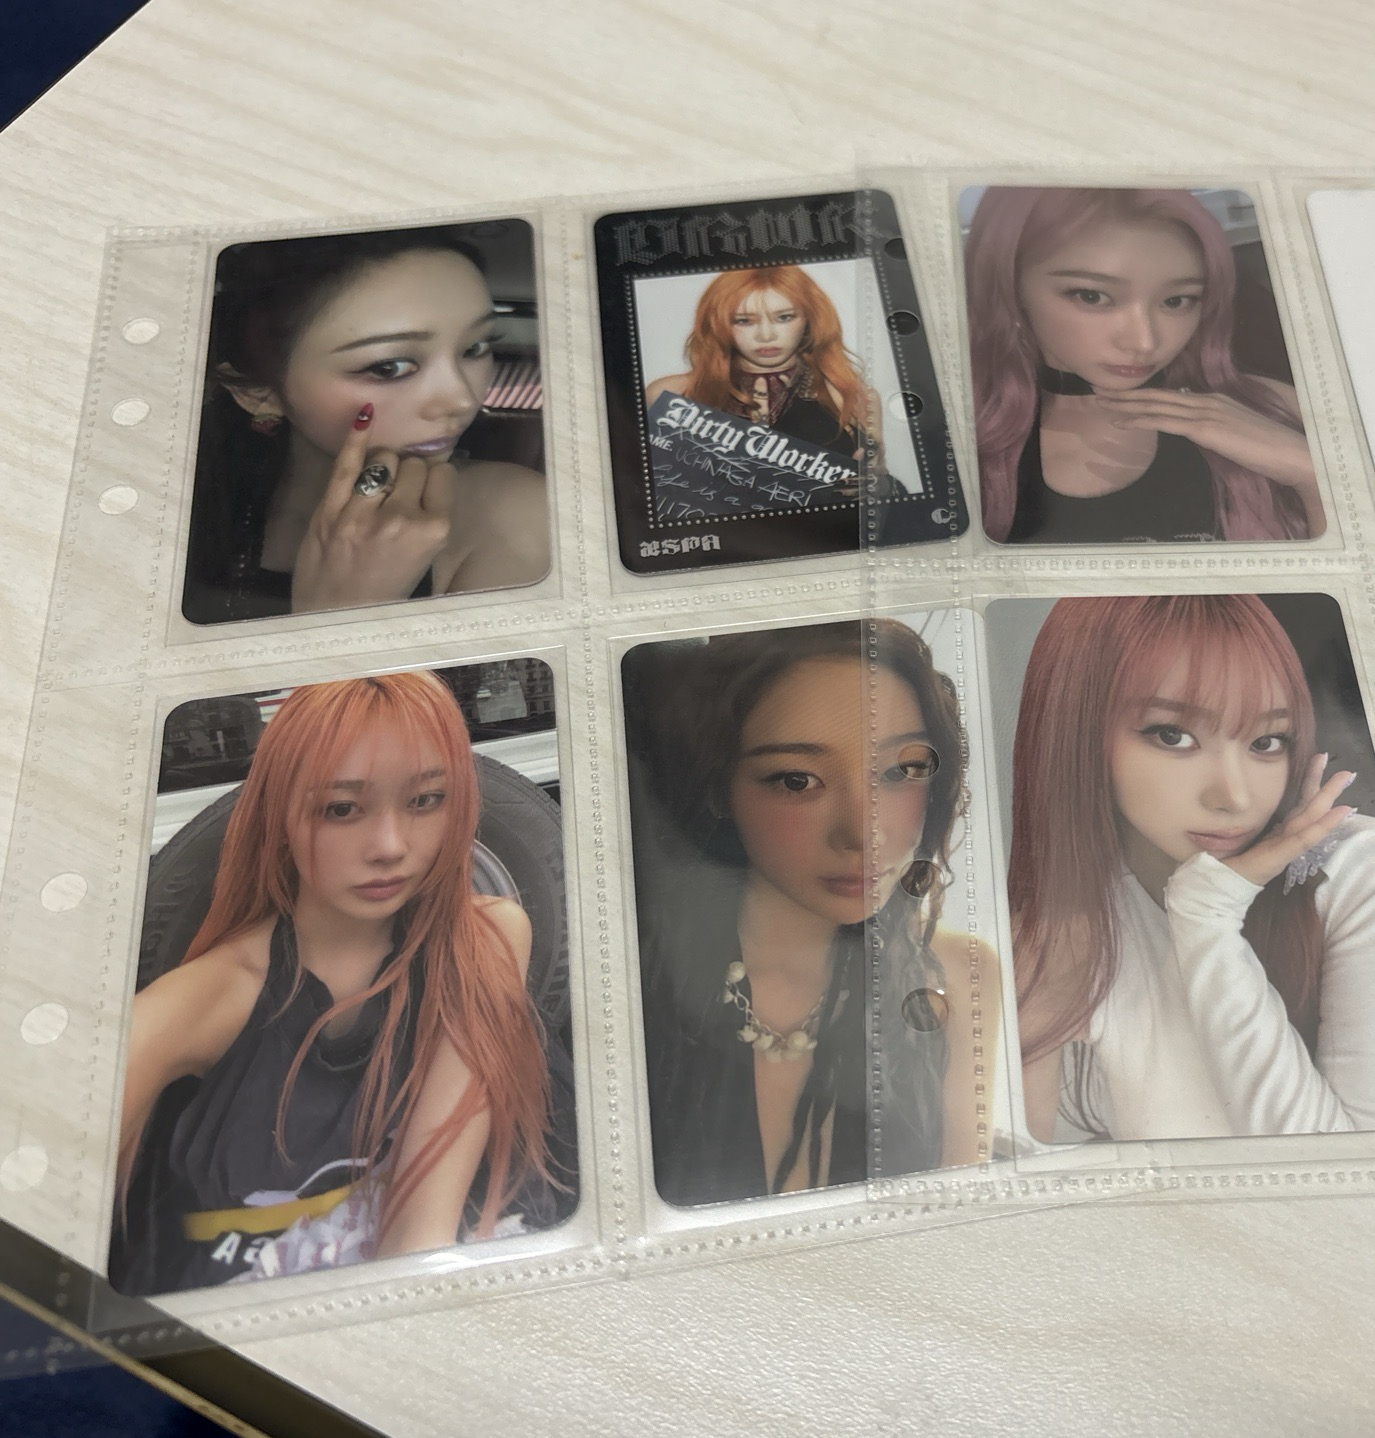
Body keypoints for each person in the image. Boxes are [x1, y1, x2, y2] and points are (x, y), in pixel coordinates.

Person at [113, 673, 561, 1295]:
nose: (390, 846)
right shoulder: (201, 1002)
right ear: (280, 815)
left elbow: (420, 1228)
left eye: (426, 800)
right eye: (341, 809)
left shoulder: (483, 939)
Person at [1008, 595, 1375, 1142]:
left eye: (1266, 742)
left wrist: (1209, 913)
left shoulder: (1359, 867)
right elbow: (1009, 1182)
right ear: (1074, 728)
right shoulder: (1062, 931)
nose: (1235, 797)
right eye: (1174, 736)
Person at [625, 619, 999, 1204]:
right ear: (720, 787)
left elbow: (959, 1218)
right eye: (797, 781)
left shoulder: (959, 975)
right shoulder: (639, 982)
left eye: (901, 771)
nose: (864, 834)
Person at [184, 226, 550, 623]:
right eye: (388, 367)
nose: (462, 400)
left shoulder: (513, 515)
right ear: (258, 392)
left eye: (475, 347)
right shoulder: (184, 508)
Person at [965, 187, 1323, 545]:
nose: (1144, 342)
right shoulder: (960, 447)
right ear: (1009, 288)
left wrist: (1313, 474)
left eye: (1176, 301)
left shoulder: (1275, 409)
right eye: (1092, 296)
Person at [643, 264, 887, 490]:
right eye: (744, 321)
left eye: (784, 317)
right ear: (718, 324)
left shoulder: (850, 395)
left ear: (810, 319)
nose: (766, 335)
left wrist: (874, 484)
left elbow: (879, 493)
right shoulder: (673, 395)